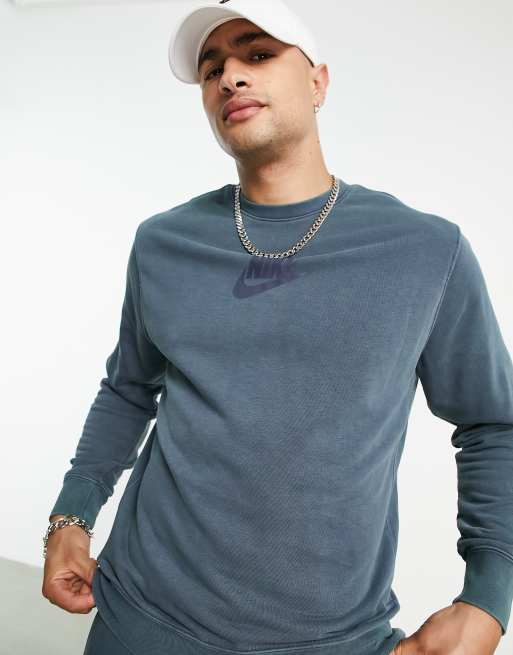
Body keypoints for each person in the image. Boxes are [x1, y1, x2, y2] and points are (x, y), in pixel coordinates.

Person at [42, 1, 513, 654]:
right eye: (212, 68)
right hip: (141, 620)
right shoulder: (163, 243)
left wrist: (488, 596)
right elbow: (127, 388)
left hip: (330, 640)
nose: (230, 77)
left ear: (318, 82)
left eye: (258, 54)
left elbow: (493, 423)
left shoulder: (425, 250)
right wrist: (71, 514)